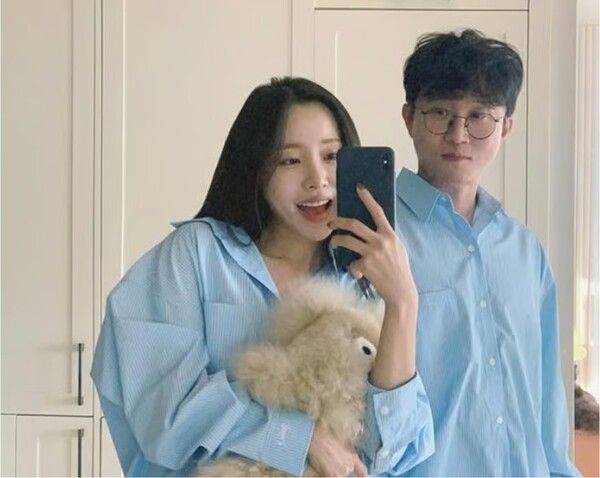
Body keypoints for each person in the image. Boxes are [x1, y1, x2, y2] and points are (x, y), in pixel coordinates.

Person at [91, 77, 434, 477]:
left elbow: (392, 452)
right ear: (256, 167)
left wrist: (403, 303)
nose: (317, 179)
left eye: (330, 156)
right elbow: (164, 412)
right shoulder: (195, 255)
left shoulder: (362, 281)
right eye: (290, 160)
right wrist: (301, 440)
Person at [391, 29, 581, 476]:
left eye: (479, 116)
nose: (459, 134)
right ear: (409, 117)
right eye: (440, 113)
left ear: (506, 126)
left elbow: (547, 401)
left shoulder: (525, 251)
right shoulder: (378, 237)